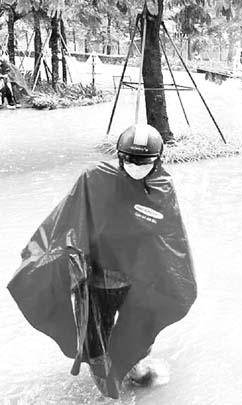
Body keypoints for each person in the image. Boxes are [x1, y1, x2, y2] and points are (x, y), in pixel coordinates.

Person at [7, 123, 197, 398]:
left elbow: (170, 239)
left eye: (144, 161)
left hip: (138, 277)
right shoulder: (94, 178)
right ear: (120, 156)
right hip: (97, 275)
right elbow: (67, 221)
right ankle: (105, 389)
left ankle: (133, 368)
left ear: (157, 160)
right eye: (130, 159)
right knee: (95, 334)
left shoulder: (161, 188)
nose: (136, 166)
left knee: (137, 326)